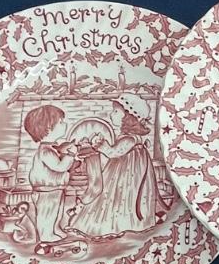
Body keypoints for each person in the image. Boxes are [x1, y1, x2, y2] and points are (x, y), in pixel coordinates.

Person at [69, 102, 165, 239]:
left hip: (128, 175)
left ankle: (120, 225)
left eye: (115, 112)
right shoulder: (127, 137)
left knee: (120, 197)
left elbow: (113, 152)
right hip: (120, 171)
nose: (111, 114)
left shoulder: (130, 139)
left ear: (128, 117)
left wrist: (100, 145)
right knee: (114, 196)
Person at [23, 104, 78, 243]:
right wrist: (71, 155)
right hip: (46, 191)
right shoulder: (46, 151)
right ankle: (45, 234)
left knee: (56, 212)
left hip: (55, 189)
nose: (65, 124)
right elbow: (60, 167)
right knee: (47, 213)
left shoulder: (51, 148)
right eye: (61, 122)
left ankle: (55, 229)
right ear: (48, 128)